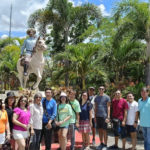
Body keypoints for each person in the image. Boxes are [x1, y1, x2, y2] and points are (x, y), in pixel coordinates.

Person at [94, 86, 111, 150]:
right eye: (100, 89)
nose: (101, 90)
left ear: (104, 90)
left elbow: (108, 107)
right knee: (100, 131)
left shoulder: (107, 97)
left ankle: (105, 145)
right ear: (98, 90)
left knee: (105, 131)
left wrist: (108, 117)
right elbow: (95, 107)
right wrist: (95, 116)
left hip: (104, 117)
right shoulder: (96, 98)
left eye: (102, 89)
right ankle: (101, 143)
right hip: (98, 116)